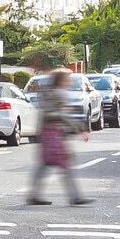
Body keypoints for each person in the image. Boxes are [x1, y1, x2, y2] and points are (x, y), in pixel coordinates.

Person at [28, 66, 92, 206]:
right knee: (63, 164)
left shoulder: (52, 92)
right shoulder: (57, 93)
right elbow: (54, 114)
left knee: (46, 164)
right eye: (67, 79)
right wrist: (78, 127)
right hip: (52, 133)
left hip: (50, 132)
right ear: (61, 80)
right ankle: (75, 197)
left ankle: (34, 195)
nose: (69, 81)